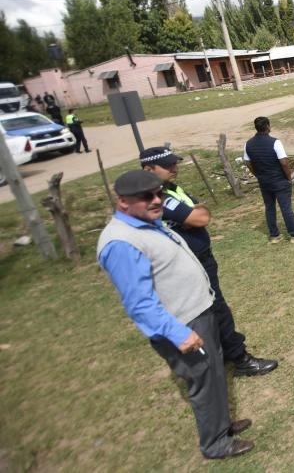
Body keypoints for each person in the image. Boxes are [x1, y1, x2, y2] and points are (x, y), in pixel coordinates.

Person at [97, 170, 255, 460]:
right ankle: (215, 444)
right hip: (182, 323)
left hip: (198, 310)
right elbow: (139, 303)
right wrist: (178, 333)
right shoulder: (120, 243)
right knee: (203, 380)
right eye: (147, 196)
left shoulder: (148, 222)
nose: (157, 200)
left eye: (158, 193)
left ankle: (222, 425)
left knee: (215, 371)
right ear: (122, 202)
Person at [139, 147, 278, 376]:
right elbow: (201, 217)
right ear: (147, 169)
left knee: (209, 309)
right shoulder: (158, 198)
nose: (174, 168)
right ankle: (240, 358)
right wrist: (192, 216)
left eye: (174, 163)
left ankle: (218, 353)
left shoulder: (173, 189)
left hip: (200, 258)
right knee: (216, 309)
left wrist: (193, 215)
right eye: (167, 165)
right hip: (191, 262)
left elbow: (202, 212)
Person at [243, 117, 294, 243]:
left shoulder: (248, 144)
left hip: (264, 181)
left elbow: (247, 162)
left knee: (269, 207)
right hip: (279, 180)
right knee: (286, 207)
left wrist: (257, 175)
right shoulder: (275, 142)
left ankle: (274, 235)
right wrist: (288, 178)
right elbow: (284, 163)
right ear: (267, 126)